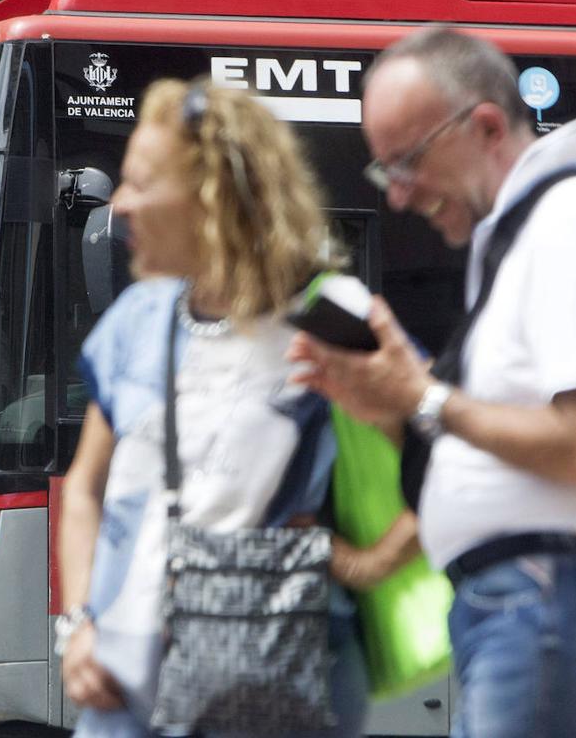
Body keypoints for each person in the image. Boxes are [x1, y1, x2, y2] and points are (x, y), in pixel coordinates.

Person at [289, 27, 576, 738]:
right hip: (535, 601)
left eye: (405, 163)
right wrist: (389, 405)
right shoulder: (526, 239)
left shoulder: (572, 225)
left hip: (551, 598)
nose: (401, 197)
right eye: (386, 174)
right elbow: (503, 433)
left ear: (486, 127)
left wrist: (422, 397)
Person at [57, 79, 410, 738]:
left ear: (210, 198)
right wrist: (78, 627)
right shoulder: (136, 320)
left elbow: (442, 456)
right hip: (120, 695)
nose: (120, 207)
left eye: (139, 183)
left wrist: (370, 562)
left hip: (267, 687)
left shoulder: (332, 319)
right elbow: (84, 489)